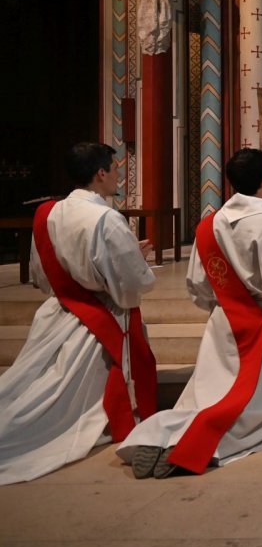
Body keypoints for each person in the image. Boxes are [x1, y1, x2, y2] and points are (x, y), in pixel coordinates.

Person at [118, 149, 262, 478]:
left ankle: (165, 434)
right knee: (255, 405)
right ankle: (193, 444)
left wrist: (224, 305)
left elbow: (197, 284)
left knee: (207, 393)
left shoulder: (208, 226)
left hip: (223, 323)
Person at [0, 143, 157, 485]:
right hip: (100, 321)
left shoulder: (48, 214)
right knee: (62, 403)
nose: (118, 175)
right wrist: (139, 260)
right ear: (101, 173)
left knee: (33, 386)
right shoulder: (106, 218)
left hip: (59, 315)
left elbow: (43, 275)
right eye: (115, 168)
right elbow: (132, 284)